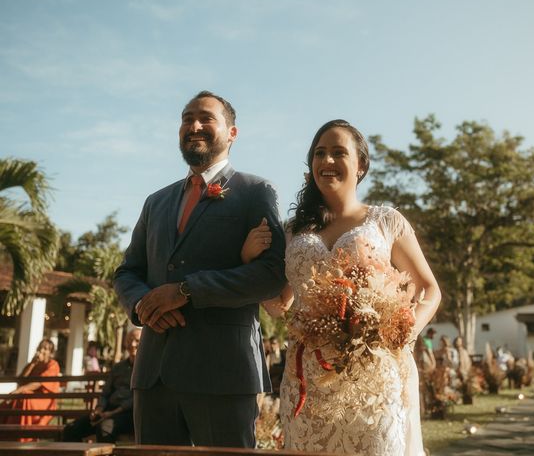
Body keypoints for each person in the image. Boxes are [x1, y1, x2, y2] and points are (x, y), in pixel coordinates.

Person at [247, 120, 441, 455]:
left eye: (339, 152)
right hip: (307, 379)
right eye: (320, 153)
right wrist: (249, 258)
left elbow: (429, 289)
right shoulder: (292, 231)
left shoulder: (386, 221)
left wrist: (405, 329)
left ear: (361, 165)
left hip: (373, 380)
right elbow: (280, 304)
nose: (327, 161)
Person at [113, 90, 287, 448]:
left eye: (206, 118)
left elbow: (272, 273)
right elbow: (126, 272)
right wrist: (143, 307)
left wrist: (185, 291)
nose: (194, 125)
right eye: (186, 118)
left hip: (223, 372)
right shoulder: (156, 202)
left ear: (232, 133)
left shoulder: (256, 191)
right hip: (153, 375)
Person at [63, 329, 141, 443]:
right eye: (130, 340)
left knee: (105, 428)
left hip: (127, 414)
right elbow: (106, 393)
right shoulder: (118, 367)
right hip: (107, 411)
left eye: (137, 341)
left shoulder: (145, 370)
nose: (133, 344)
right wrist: (99, 409)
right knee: (70, 429)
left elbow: (136, 398)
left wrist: (112, 413)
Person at [0, 339, 60, 433]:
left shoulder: (53, 365)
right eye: (40, 347)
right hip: (29, 395)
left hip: (44, 400)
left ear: (51, 353)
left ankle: (23, 433)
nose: (41, 350)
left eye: (45, 349)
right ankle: (7, 433)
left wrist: (19, 390)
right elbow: (20, 380)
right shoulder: (34, 363)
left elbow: (40, 383)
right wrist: (32, 364)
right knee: (6, 404)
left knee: (24, 396)